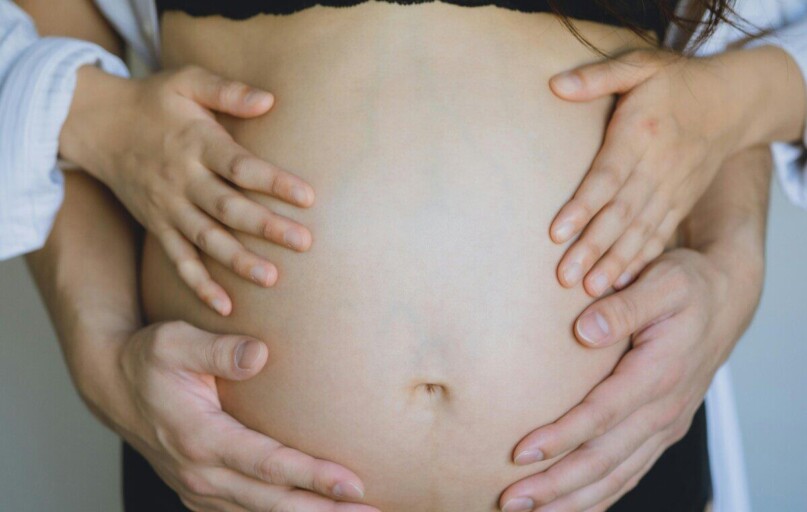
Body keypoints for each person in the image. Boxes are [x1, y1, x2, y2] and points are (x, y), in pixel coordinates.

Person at [0, 1, 801, 512]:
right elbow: (48, 38)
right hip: (228, 478)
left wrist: (733, 267)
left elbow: (737, 36)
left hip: (608, 466)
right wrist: (99, 352)